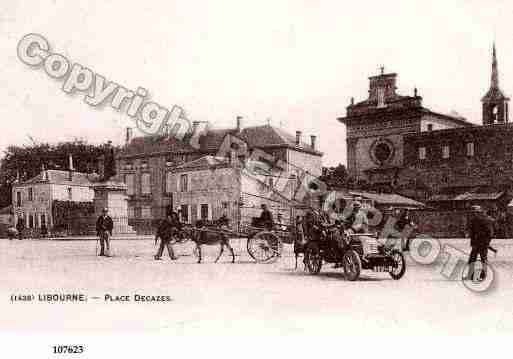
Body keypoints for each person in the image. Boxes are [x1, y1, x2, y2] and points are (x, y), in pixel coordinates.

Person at [465, 205, 495, 281]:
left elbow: (490, 233)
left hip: (483, 244)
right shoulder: (473, 220)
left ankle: (483, 276)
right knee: (472, 259)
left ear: (479, 212)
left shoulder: (487, 220)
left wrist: (486, 243)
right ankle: (470, 275)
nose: (474, 214)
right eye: (473, 213)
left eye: (475, 212)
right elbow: (471, 232)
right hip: (475, 244)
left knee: (483, 259)